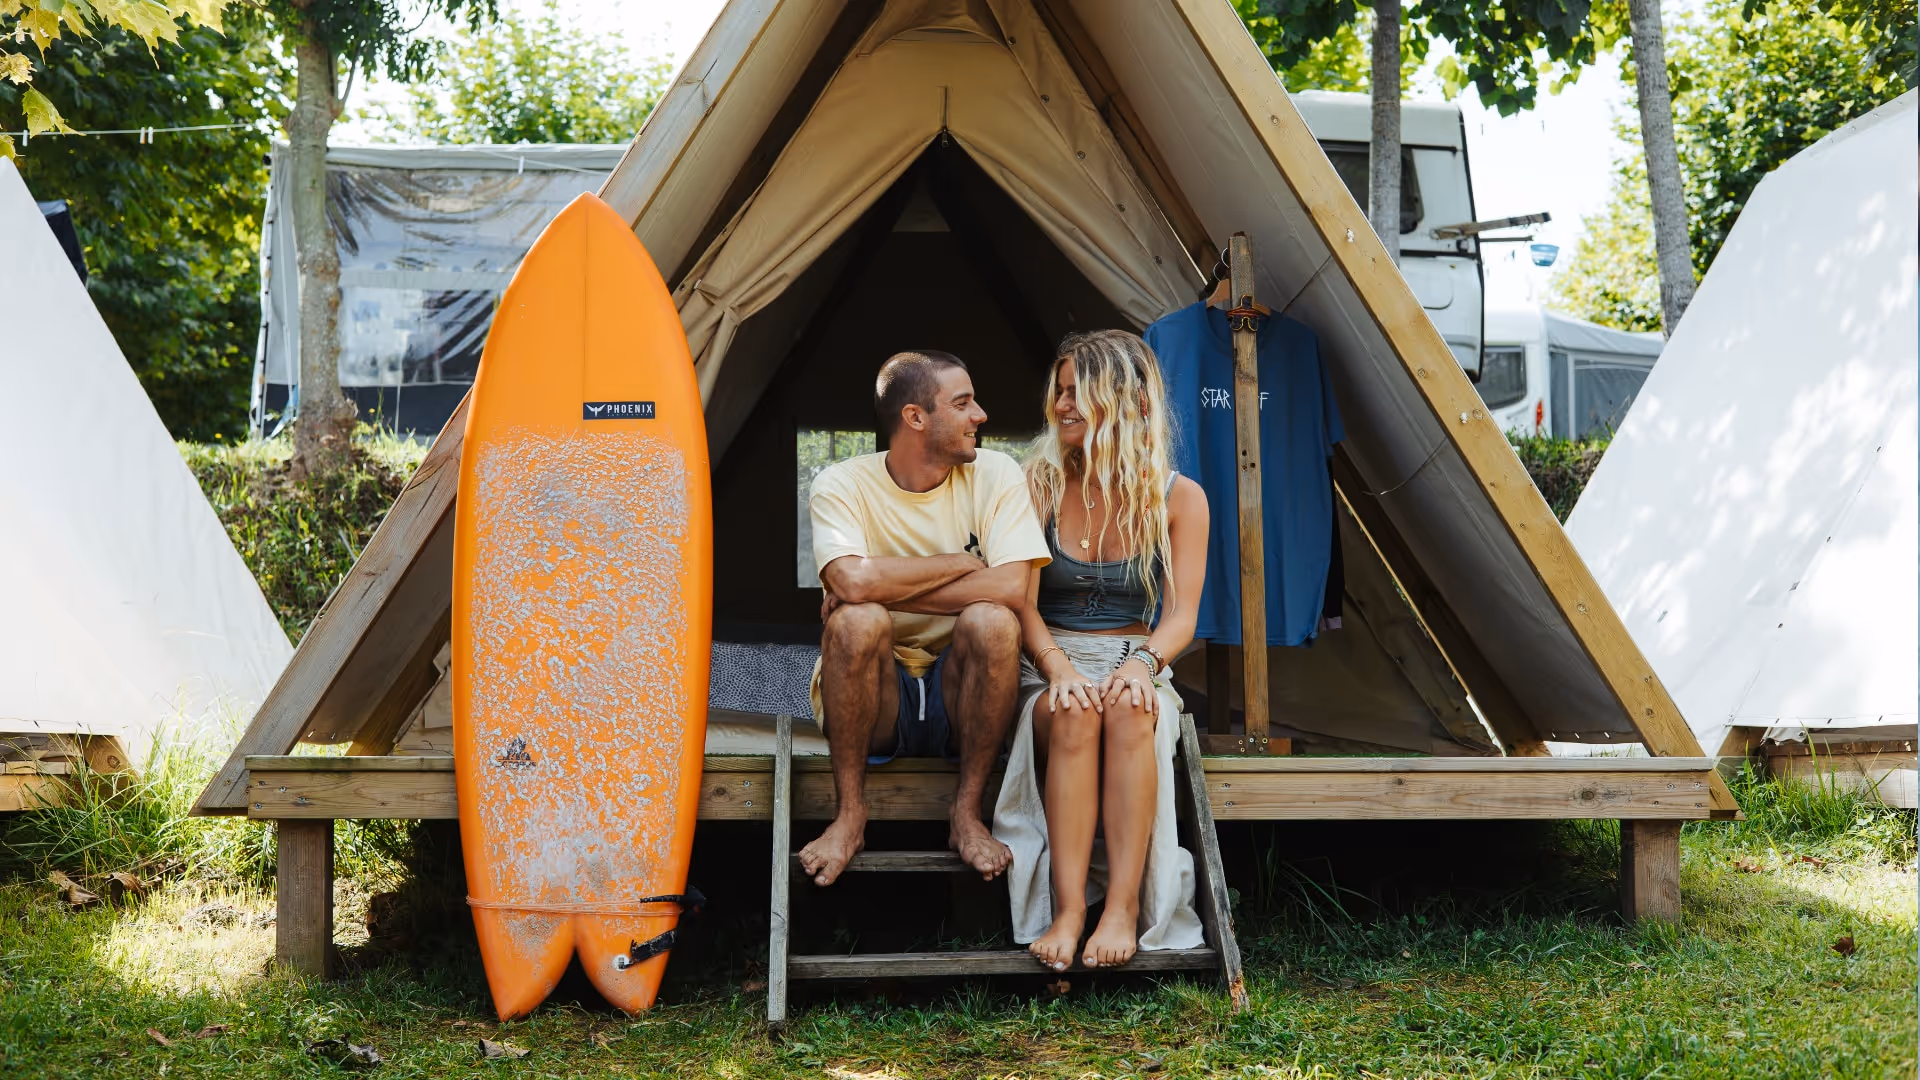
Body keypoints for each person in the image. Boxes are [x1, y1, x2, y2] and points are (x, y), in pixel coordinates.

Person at [800, 350, 1052, 887]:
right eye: (962, 403)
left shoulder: (996, 473)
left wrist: (879, 588)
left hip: (960, 689)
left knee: (993, 622)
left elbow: (1011, 588)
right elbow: (851, 585)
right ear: (915, 417)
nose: (980, 415)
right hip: (878, 693)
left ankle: (967, 813)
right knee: (855, 622)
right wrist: (959, 563)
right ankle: (850, 816)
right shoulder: (841, 483)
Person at [1012, 329, 1208, 971]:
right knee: (1074, 711)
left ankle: (1122, 908)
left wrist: (1144, 666)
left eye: (1078, 392)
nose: (1062, 405)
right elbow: (1020, 604)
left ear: (1127, 401)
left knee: (1130, 706)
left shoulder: (1179, 497)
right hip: (1048, 659)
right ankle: (1070, 911)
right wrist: (1058, 669)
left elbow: (1182, 617)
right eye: (1060, 391)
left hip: (1137, 656)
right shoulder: (1037, 483)